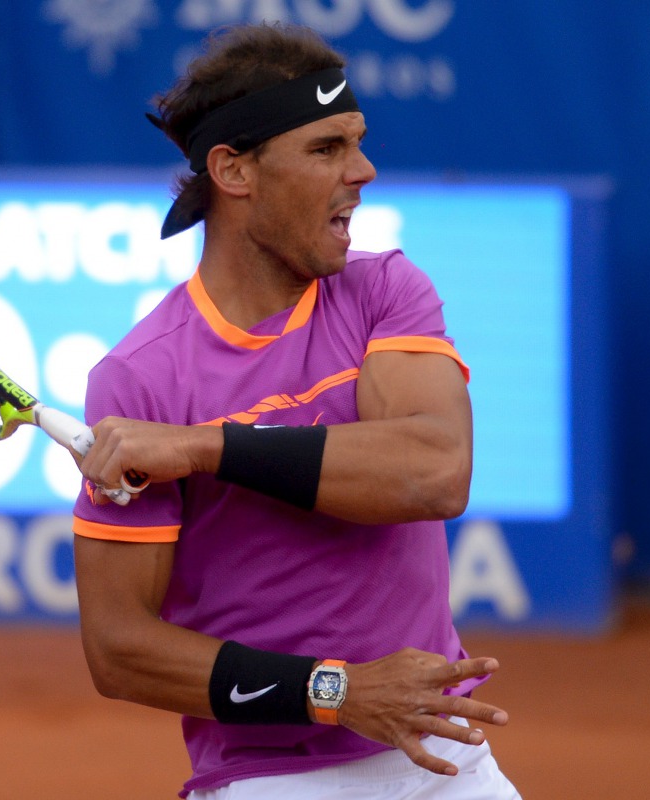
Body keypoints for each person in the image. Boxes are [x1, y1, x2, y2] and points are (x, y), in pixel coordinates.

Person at [68, 22, 520, 800]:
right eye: (327, 149)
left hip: (448, 760)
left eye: (359, 142)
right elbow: (120, 650)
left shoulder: (385, 291)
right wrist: (341, 691)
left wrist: (206, 446)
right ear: (234, 171)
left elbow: (433, 473)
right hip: (272, 779)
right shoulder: (138, 379)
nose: (365, 170)